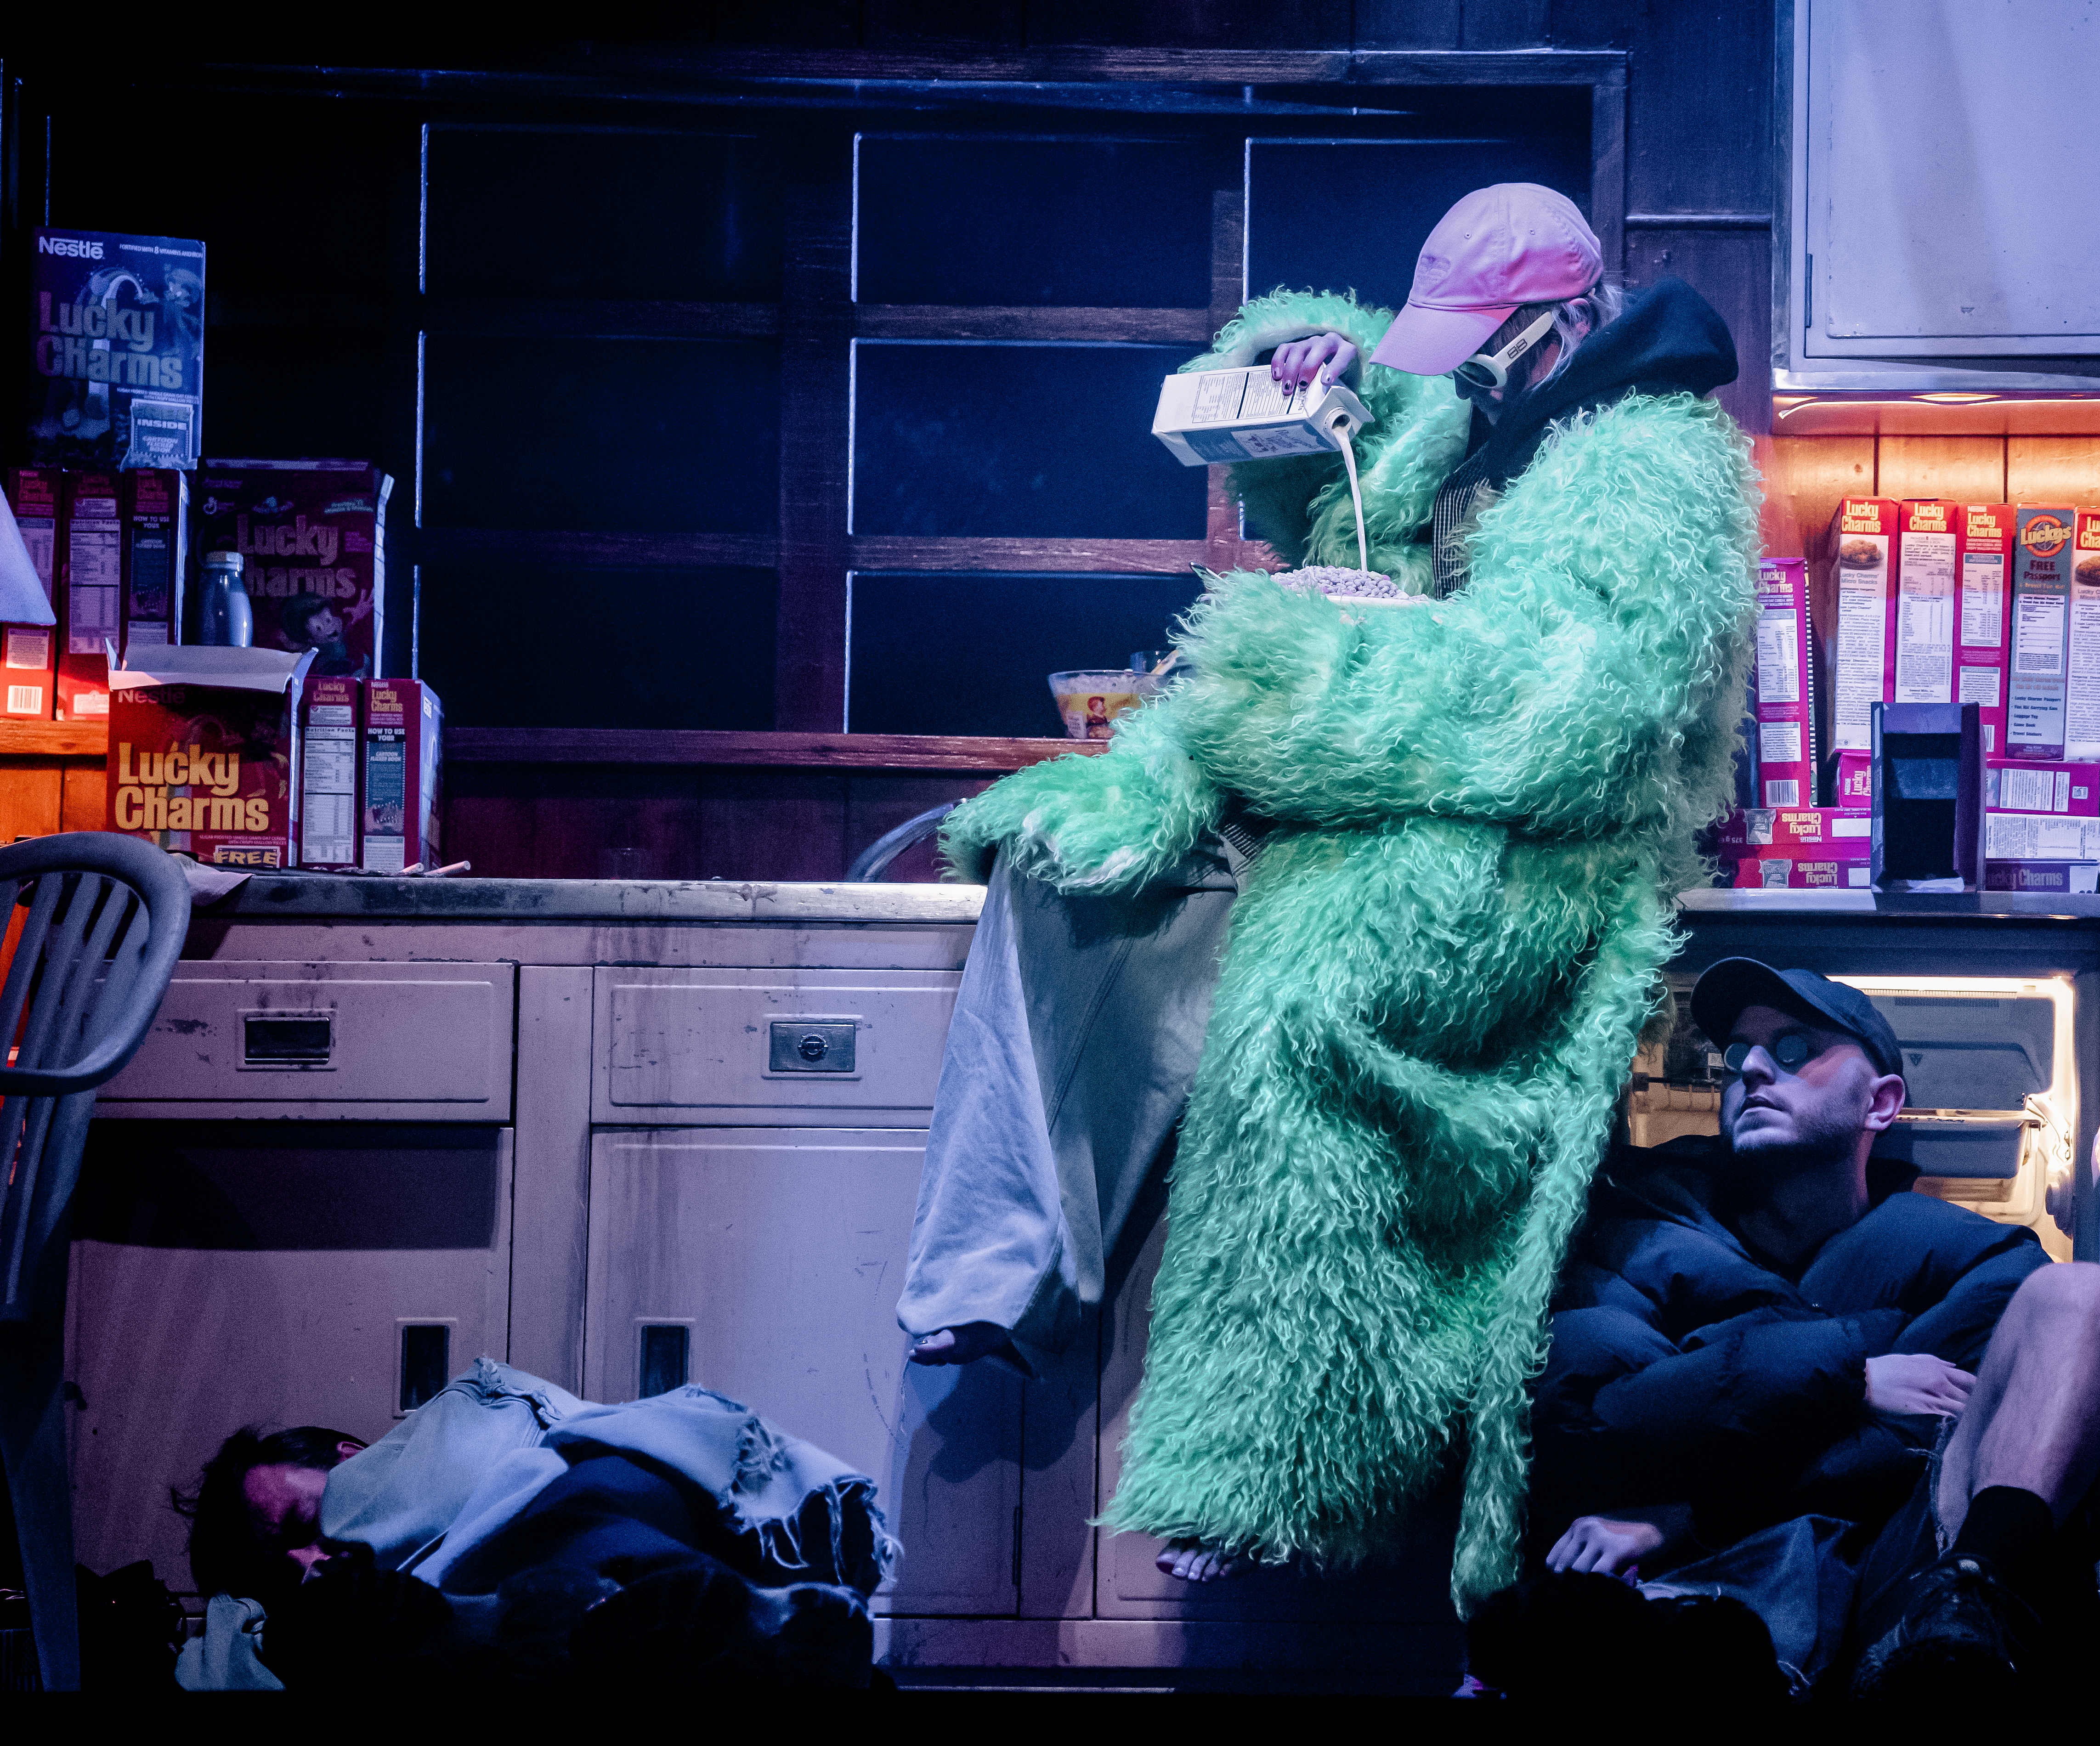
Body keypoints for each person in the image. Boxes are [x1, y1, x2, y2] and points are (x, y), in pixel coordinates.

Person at [902, 181, 1754, 1607]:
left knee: (1307, 1006)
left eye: (1473, 340)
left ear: (1558, 322)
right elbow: (1344, 517)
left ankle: (1277, 1463)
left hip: (1537, 849)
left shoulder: (1649, 464)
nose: (1454, 367)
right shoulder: (1480, 409)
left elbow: (1579, 716)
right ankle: (991, 1278)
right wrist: (1310, 373)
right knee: (1067, 861)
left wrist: (1298, 673)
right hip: (1386, 789)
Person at [1520, 957, 2100, 1698]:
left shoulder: (1970, 1257)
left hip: (1901, 1589)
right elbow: (1604, 1417)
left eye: (1794, 1048)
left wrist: (1688, 1506)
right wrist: (1854, 1378)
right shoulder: (1640, 1230)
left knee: (2076, 1292)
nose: (1752, 1070)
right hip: (1695, 1593)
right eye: (1736, 1055)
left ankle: (1973, 1596)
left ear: (1881, 1102)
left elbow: (1949, 1440)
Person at [169, 1358, 895, 1690]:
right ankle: (762, 1633)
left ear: (352, 1456)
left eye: (304, 1520)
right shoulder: (339, 1608)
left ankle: (552, 1619)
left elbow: (514, 1435)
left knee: (585, 1488)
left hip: (575, 1510)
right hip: (494, 1588)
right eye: (281, 1570)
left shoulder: (459, 1423)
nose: (308, 1561)